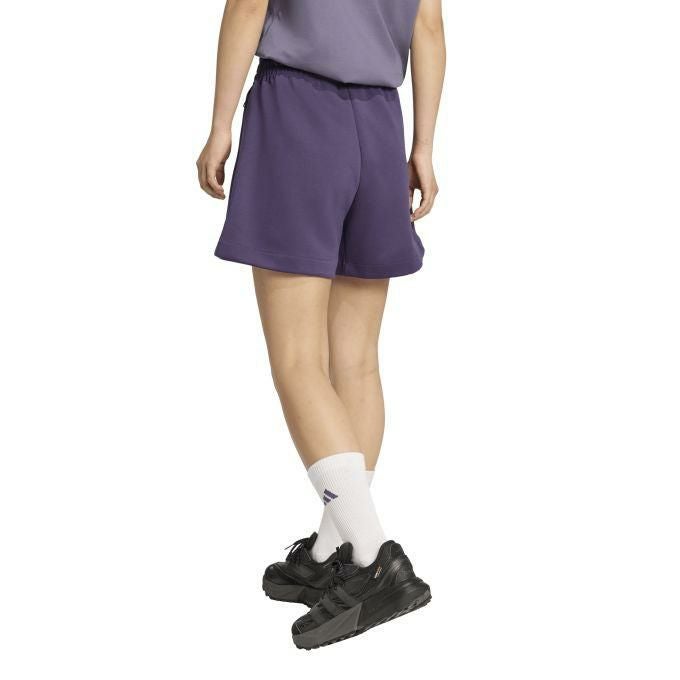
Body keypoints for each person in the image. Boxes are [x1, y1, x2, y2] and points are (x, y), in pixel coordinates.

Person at [197, 0, 445, 649]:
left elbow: (249, 5)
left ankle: (373, 557)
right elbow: (427, 23)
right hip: (380, 121)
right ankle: (331, 550)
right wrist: (422, 145)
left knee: (298, 361)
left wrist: (220, 124)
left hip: (297, 114)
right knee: (356, 360)